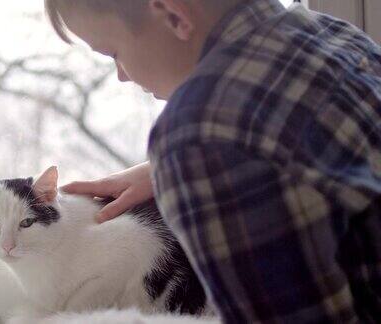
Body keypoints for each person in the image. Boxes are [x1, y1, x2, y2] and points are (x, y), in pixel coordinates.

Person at [45, 0, 381, 322]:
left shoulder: (199, 134)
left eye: (113, 53)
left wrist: (192, 160)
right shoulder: (332, 34)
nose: (122, 75)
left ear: (174, 15)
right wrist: (161, 172)